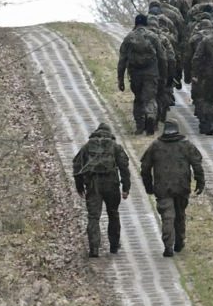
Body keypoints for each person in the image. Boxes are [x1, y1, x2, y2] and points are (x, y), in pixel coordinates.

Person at [140, 119, 204, 257]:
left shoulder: (156, 146)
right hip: (182, 187)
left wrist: (148, 186)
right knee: (180, 215)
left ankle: (168, 245)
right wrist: (200, 182)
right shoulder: (186, 145)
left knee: (167, 217)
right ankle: (179, 242)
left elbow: (145, 168)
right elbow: (197, 164)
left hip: (162, 188)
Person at [73, 123, 131, 257]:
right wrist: (126, 187)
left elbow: (77, 165)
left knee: (93, 217)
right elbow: (124, 167)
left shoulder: (87, 146)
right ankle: (114, 246)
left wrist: (79, 186)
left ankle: (94, 249)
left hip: (93, 185)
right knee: (113, 213)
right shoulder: (115, 147)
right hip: (112, 184)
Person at [118, 14, 167, 135]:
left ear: (135, 23)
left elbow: (122, 60)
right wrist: (163, 75)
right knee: (150, 98)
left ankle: (139, 126)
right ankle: (150, 115)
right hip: (151, 72)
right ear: (146, 23)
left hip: (135, 73)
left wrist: (120, 79)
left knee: (138, 99)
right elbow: (162, 57)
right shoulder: (153, 37)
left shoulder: (129, 38)